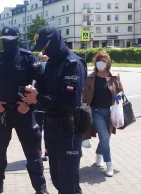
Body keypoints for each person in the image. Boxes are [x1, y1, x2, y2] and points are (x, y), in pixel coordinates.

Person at [22, 26, 87, 194]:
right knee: (57, 177)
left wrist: (38, 98)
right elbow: (43, 89)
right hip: (52, 127)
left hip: (69, 128)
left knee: (69, 182)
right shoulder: (51, 63)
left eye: (45, 45)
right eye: (41, 47)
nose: (44, 50)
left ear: (55, 40)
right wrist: (32, 90)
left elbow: (69, 102)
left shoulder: (73, 64)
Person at [0, 26, 48, 194]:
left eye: (10, 40)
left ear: (17, 38)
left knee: (33, 155)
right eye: (4, 40)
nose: (7, 43)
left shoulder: (28, 57)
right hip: (3, 112)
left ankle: (40, 189)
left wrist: (30, 104)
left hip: (24, 112)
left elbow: (42, 83)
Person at [82, 51, 124, 177]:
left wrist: (119, 95)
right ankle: (109, 164)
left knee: (106, 137)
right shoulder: (90, 77)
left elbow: (121, 91)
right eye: (99, 61)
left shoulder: (114, 76)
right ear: (96, 62)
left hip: (111, 112)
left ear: (108, 63)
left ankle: (99, 155)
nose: (101, 63)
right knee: (104, 137)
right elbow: (84, 97)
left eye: (104, 61)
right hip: (96, 112)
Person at [35, 53, 49, 161]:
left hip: (49, 106)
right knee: (38, 129)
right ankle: (39, 151)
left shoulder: (52, 71)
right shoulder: (36, 71)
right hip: (38, 106)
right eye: (43, 59)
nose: (45, 62)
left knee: (49, 130)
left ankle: (48, 150)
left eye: (46, 59)